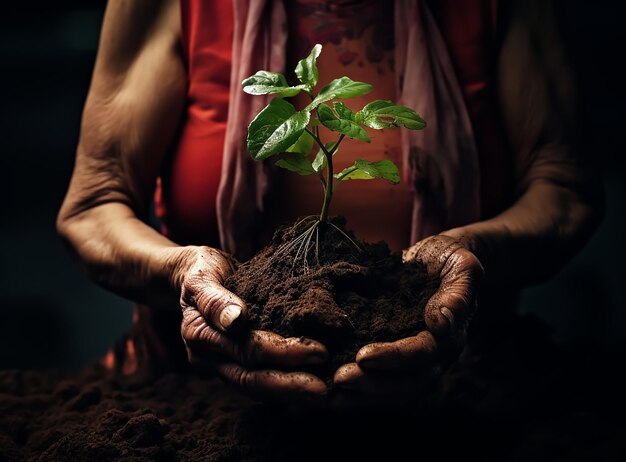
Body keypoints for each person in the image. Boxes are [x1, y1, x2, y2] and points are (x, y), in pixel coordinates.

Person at [57, 0, 603, 407]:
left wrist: (468, 252)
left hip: (465, 398)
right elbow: (93, 205)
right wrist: (182, 272)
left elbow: (566, 189)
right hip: (194, 401)